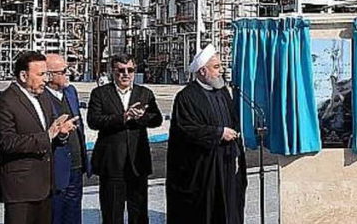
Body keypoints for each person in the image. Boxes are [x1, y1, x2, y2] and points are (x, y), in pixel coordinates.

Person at [0, 51, 78, 224]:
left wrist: (61, 133)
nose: (46, 79)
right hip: (20, 188)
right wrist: (48, 136)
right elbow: (8, 142)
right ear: (23, 75)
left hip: (45, 185)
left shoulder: (43, 97)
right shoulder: (4, 101)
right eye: (41, 74)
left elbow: (51, 132)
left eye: (46, 74)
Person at [165, 44, 247, 224]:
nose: (221, 71)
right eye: (216, 67)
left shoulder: (223, 91)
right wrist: (218, 133)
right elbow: (187, 129)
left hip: (226, 161)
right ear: (202, 71)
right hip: (203, 167)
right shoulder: (187, 96)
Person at [87, 54, 163, 224]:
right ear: (113, 71)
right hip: (112, 163)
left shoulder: (145, 93)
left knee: (139, 212)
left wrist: (141, 117)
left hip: (137, 162)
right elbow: (93, 121)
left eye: (130, 70)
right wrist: (123, 117)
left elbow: (156, 119)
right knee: (112, 212)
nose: (125, 74)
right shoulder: (100, 93)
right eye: (121, 70)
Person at [42, 54, 90, 224]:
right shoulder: (41, 97)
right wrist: (59, 133)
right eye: (63, 71)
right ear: (48, 75)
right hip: (55, 168)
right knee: (56, 214)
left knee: (74, 214)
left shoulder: (71, 91)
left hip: (76, 166)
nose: (68, 73)